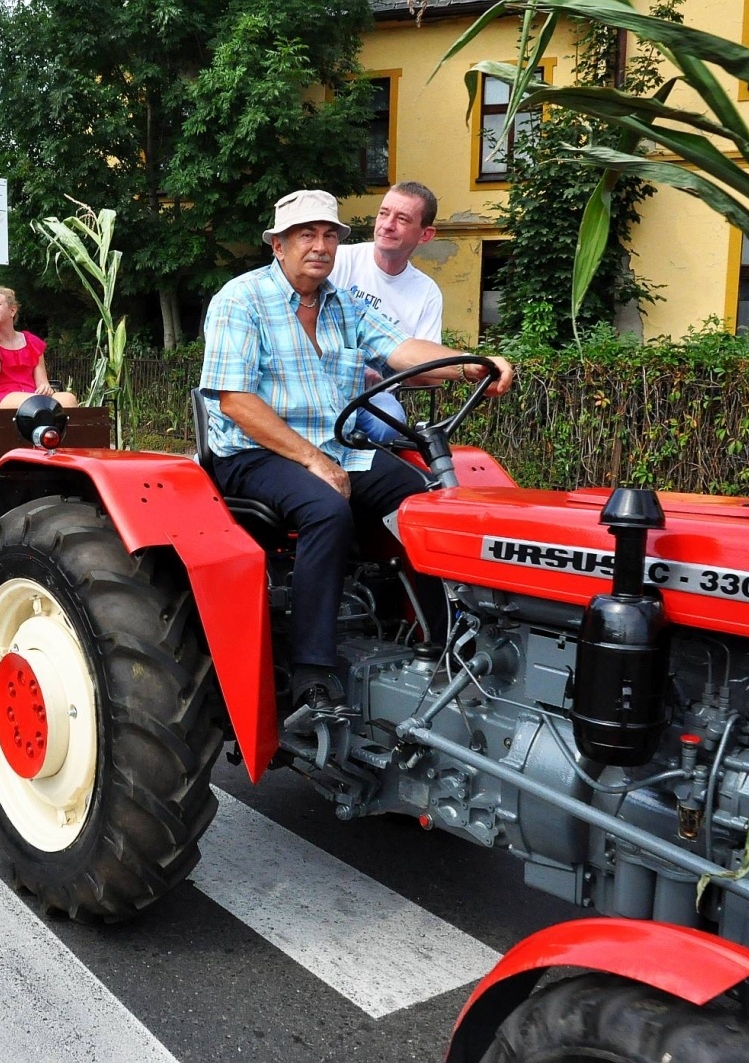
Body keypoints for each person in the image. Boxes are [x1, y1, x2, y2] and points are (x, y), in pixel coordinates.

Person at [199, 188, 513, 717]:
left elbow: (402, 350)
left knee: (420, 499)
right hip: (253, 451)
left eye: (329, 235)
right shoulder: (240, 298)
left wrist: (472, 363)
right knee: (326, 509)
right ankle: (312, 672)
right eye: (305, 235)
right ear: (278, 245)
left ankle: (451, 641)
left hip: (333, 447)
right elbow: (236, 401)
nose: (320, 246)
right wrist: (312, 459)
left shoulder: (342, 305)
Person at [330, 182, 445, 444]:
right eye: (383, 213)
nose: (387, 225)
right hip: (320, 379)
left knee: (388, 424)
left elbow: (429, 375)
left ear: (425, 235)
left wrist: (385, 368)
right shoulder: (339, 260)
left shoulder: (426, 292)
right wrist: (357, 368)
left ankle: (369, 469)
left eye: (402, 219)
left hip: (374, 396)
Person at [0, 287, 77, 409]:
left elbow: (42, 383)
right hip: (1, 395)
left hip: (32, 395)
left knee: (68, 399)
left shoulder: (31, 341)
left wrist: (45, 388)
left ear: (12, 310)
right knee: (34, 401)